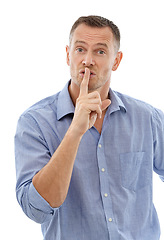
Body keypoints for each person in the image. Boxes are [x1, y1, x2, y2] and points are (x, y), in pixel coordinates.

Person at [15, 15, 164, 240]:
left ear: (116, 60)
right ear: (68, 54)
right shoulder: (34, 123)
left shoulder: (147, 118)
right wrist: (75, 130)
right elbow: (36, 209)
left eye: (100, 51)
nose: (88, 60)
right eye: (80, 50)